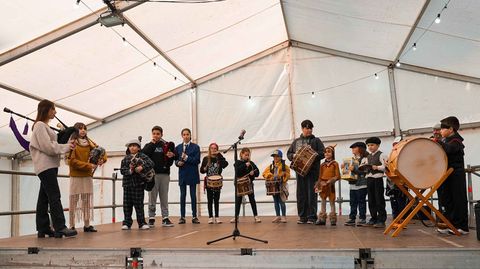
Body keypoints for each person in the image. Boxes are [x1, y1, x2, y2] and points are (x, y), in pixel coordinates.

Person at [29, 99, 77, 238]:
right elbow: (48, 147)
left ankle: (43, 228)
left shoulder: (43, 126)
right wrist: (67, 146)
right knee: (54, 196)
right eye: (53, 109)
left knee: (44, 198)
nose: (55, 112)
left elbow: (51, 145)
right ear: (46, 110)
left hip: (48, 166)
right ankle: (60, 227)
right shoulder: (39, 126)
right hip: (46, 166)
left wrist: (64, 143)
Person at [68, 122, 107, 232]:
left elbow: (102, 152)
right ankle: (71, 225)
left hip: (87, 175)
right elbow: (71, 161)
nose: (83, 130)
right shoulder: (72, 143)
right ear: (75, 131)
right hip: (76, 175)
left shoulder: (90, 143)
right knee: (74, 201)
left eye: (85, 128)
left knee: (86, 200)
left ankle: (87, 225)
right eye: (80, 129)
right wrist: (88, 165)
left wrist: (101, 160)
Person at [435, 116, 469, 235]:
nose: (440, 131)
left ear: (451, 129)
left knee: (458, 199)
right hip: (446, 175)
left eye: (442, 129)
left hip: (456, 175)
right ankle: (450, 223)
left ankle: (462, 226)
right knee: (447, 200)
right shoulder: (445, 140)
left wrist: (437, 142)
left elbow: (450, 150)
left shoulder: (456, 141)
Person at [287, 120, 325, 224]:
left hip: (313, 172)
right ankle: (302, 216)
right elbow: (289, 154)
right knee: (301, 194)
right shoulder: (296, 141)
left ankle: (312, 217)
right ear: (302, 128)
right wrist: (293, 156)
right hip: (300, 172)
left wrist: (311, 154)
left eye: (310, 128)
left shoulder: (316, 141)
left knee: (312, 194)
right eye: (307, 128)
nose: (309, 130)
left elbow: (323, 153)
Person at [142, 126, 175, 227]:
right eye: (154, 133)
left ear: (161, 135)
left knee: (164, 197)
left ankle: (165, 218)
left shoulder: (166, 145)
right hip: (153, 175)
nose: (156, 135)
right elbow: (143, 154)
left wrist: (171, 156)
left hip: (164, 175)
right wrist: (152, 144)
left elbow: (170, 161)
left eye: (158, 134)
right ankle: (151, 218)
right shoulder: (149, 145)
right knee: (152, 197)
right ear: (152, 134)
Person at [120, 138, 154, 230]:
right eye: (130, 146)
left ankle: (142, 222)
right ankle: (127, 223)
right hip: (127, 184)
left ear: (139, 148)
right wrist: (130, 170)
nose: (132, 148)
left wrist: (141, 167)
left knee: (139, 205)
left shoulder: (143, 156)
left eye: (134, 146)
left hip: (139, 184)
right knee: (127, 205)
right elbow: (122, 171)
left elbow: (151, 163)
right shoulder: (125, 159)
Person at [175, 128, 201, 224]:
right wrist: (178, 163)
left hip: (192, 174)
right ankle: (182, 217)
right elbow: (175, 160)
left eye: (187, 134)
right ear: (182, 136)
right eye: (184, 134)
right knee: (182, 196)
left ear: (190, 135)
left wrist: (186, 158)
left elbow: (197, 160)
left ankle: (194, 216)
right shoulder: (178, 148)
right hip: (182, 174)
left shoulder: (195, 147)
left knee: (193, 196)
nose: (186, 136)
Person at [200, 142, 228, 224]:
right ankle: (210, 217)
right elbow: (201, 170)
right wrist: (204, 169)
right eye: (212, 148)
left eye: (215, 148)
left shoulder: (219, 158)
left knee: (216, 199)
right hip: (209, 181)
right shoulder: (206, 159)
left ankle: (217, 216)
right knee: (209, 199)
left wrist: (219, 155)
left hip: (217, 181)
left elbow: (225, 164)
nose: (213, 150)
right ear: (209, 149)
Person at [232, 147, 261, 223]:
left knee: (252, 200)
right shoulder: (237, 162)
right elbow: (237, 171)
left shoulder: (251, 163)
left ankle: (256, 216)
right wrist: (245, 165)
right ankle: (236, 217)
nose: (247, 156)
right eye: (245, 155)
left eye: (248, 155)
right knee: (238, 201)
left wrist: (253, 173)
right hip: (239, 184)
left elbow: (257, 172)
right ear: (241, 154)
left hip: (249, 183)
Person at [364, 137, 388, 228]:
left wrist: (377, 167)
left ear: (378, 145)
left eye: (372, 145)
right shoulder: (368, 156)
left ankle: (381, 219)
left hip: (378, 179)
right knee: (371, 199)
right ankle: (373, 217)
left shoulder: (382, 155)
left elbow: (386, 167)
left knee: (379, 199)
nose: (370, 147)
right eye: (369, 145)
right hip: (369, 179)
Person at [262, 149, 291, 223]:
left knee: (282, 201)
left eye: (277, 156)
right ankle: (278, 216)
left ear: (281, 157)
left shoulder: (284, 166)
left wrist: (283, 177)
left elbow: (288, 174)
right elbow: (264, 173)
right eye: (274, 157)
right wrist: (269, 175)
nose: (275, 158)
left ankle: (283, 216)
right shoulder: (271, 166)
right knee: (275, 201)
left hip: (281, 185)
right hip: (274, 186)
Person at [344, 142, 368, 227]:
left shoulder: (365, 158)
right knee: (353, 202)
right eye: (352, 148)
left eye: (355, 147)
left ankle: (362, 218)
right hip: (353, 184)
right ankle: (352, 218)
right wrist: (345, 167)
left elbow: (364, 171)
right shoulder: (352, 159)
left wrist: (354, 169)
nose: (352, 149)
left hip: (362, 183)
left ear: (361, 148)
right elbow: (348, 170)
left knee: (361, 201)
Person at [314, 145, 340, 226]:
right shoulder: (322, 165)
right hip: (323, 185)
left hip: (330, 185)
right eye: (325, 152)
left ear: (333, 153)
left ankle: (333, 218)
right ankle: (322, 218)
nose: (326, 153)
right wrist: (318, 184)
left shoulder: (335, 164)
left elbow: (338, 175)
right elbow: (320, 176)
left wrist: (331, 180)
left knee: (332, 201)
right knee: (323, 201)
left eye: (329, 152)